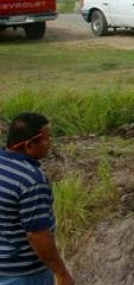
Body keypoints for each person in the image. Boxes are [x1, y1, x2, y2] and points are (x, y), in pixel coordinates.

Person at [0, 113, 74, 285]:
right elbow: (37, 235)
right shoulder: (31, 180)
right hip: (23, 275)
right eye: (46, 139)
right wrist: (62, 274)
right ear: (29, 145)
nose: (49, 144)